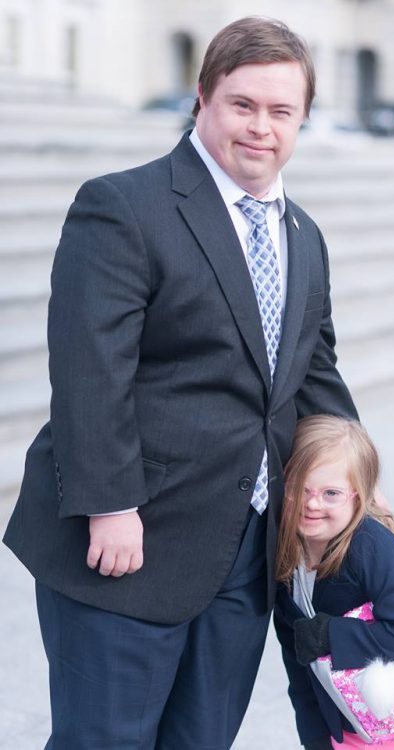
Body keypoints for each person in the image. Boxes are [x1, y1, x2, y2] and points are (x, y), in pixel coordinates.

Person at [2, 16, 360, 750]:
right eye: (243, 105)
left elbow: (313, 373)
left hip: (244, 551)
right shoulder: (123, 207)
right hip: (128, 544)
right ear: (202, 98)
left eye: (280, 111)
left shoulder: (302, 235)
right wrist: (110, 506)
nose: (261, 128)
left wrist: (360, 495)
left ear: (301, 120)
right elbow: (87, 371)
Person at [274, 415, 394, 750]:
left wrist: (328, 635)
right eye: (300, 488)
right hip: (344, 717)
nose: (312, 503)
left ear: (358, 497)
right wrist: (315, 737)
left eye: (331, 493)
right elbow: (298, 663)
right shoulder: (287, 557)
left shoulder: (374, 548)